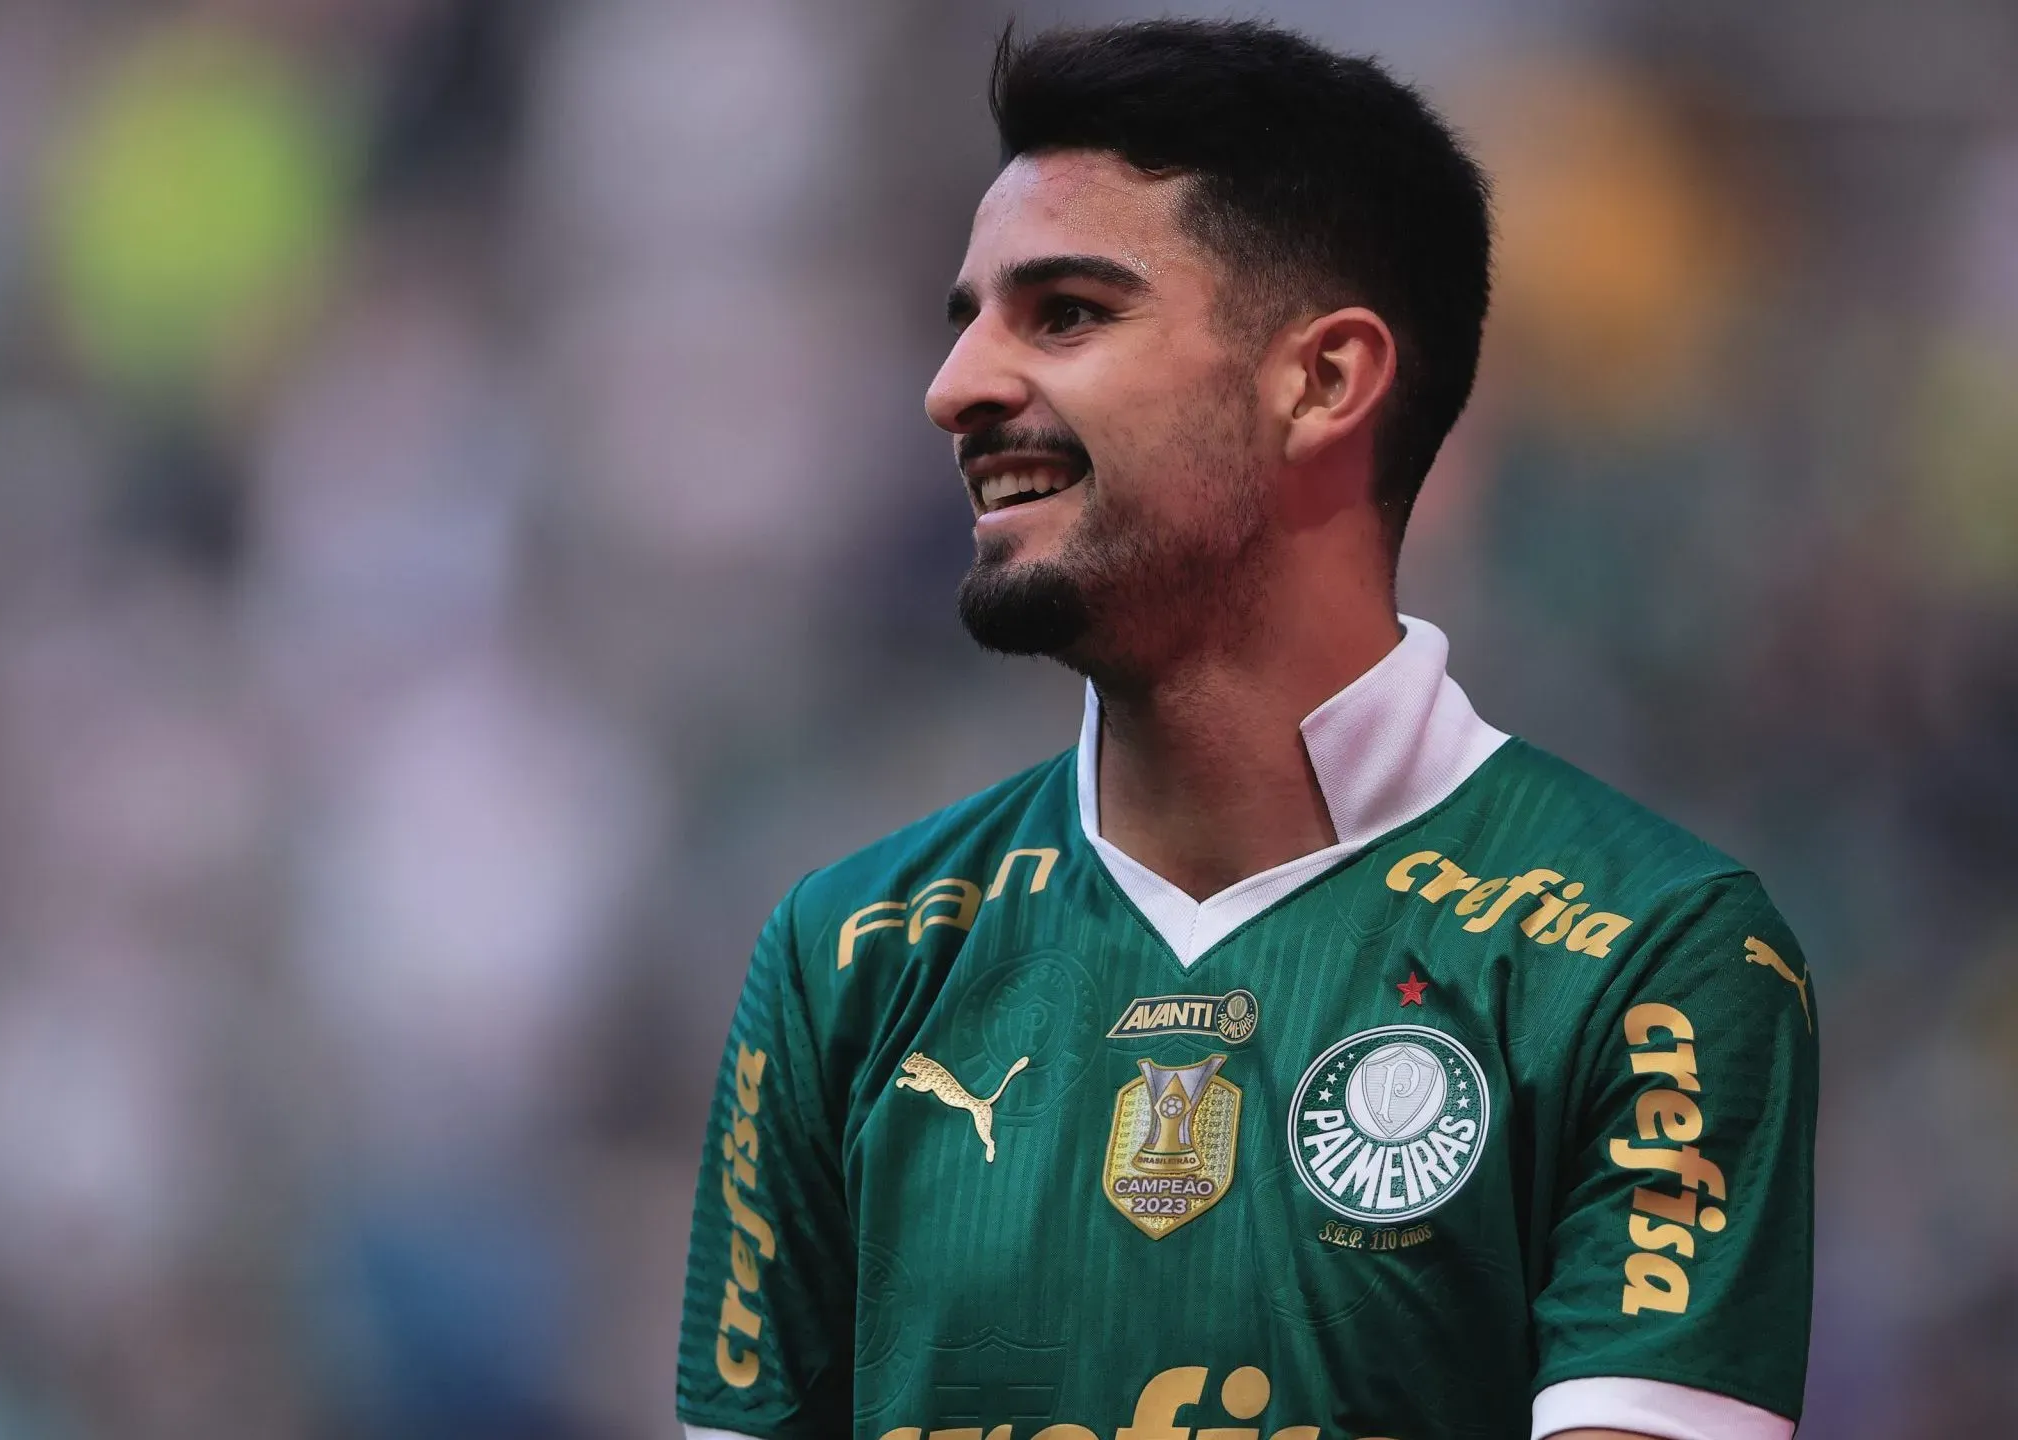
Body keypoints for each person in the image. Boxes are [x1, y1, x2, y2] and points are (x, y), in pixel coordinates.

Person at [673, 19, 1816, 1440]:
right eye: (964, 315)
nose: (955, 385)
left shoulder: (1651, 957)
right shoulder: (850, 960)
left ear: (1323, 381)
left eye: (1067, 313)